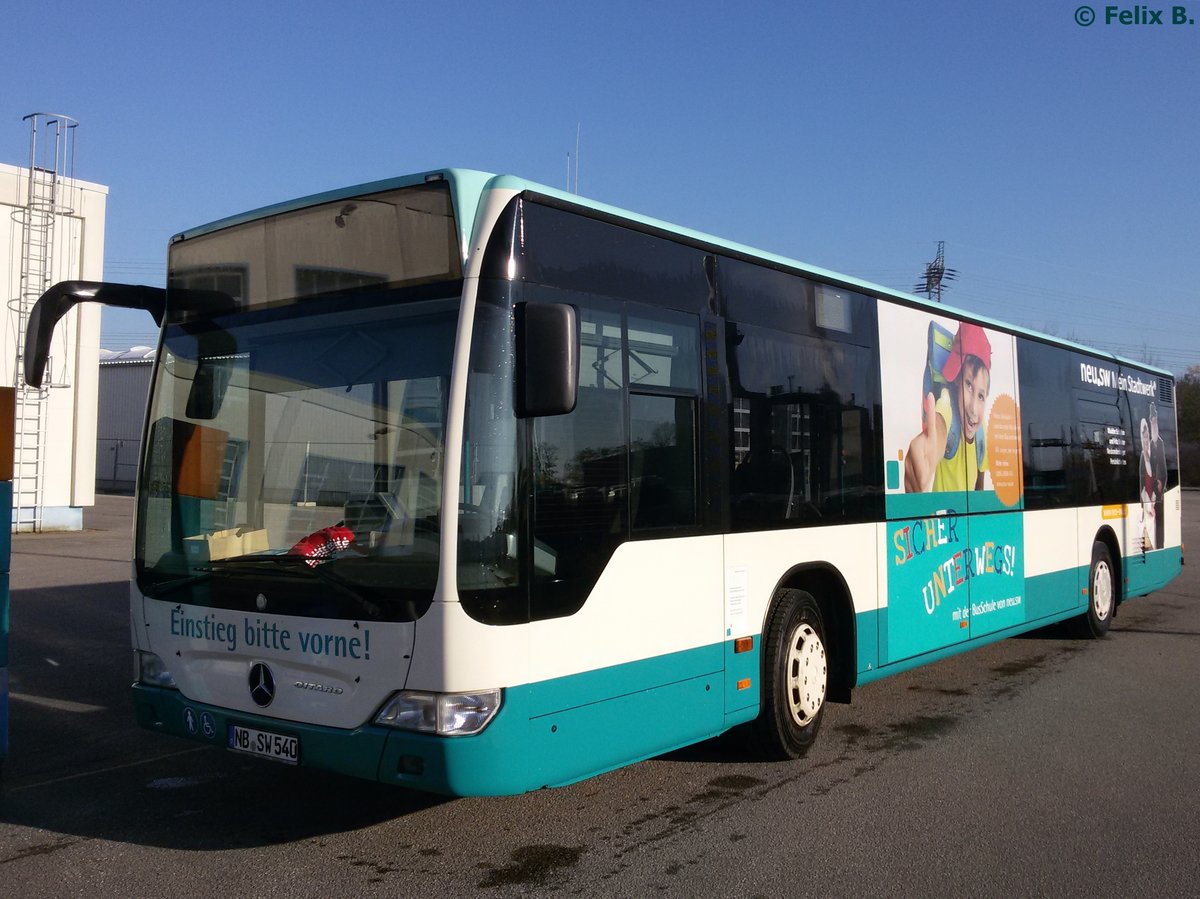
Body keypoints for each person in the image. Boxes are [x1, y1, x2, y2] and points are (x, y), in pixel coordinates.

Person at [904, 322, 991, 493]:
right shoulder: (946, 403)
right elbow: (939, 427)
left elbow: (978, 489)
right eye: (969, 385)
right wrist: (925, 452)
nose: (973, 408)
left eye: (981, 395)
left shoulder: (982, 432)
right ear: (957, 381)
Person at [1149, 403, 1167, 548]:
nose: (1153, 424)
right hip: (1151, 492)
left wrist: (1160, 482)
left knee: (1159, 523)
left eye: (1155, 421)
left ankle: (1159, 548)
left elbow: (1163, 467)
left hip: (1158, 492)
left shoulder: (1159, 443)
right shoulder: (1148, 446)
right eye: (1152, 421)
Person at [1138, 417, 1156, 551]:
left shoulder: (1152, 458)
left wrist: (1154, 499)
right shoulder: (1140, 460)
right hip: (1145, 506)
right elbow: (1140, 486)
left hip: (1152, 505)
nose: (1146, 440)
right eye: (1144, 437)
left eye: (1147, 437)